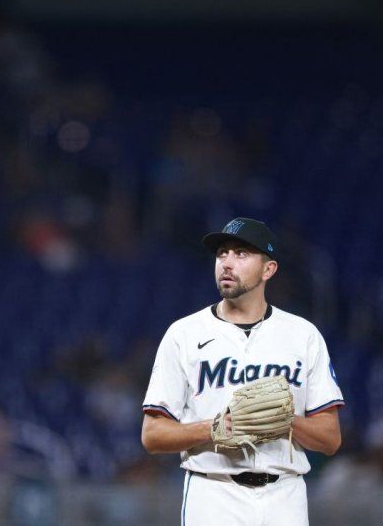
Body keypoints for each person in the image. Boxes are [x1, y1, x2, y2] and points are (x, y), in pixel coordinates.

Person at [141, 218, 344, 525]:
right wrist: (212, 428)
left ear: (269, 269)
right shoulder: (183, 334)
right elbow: (152, 435)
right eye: (222, 253)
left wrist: (286, 422)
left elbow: (330, 439)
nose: (227, 263)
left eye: (241, 254)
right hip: (213, 492)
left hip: (284, 496)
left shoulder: (304, 335)